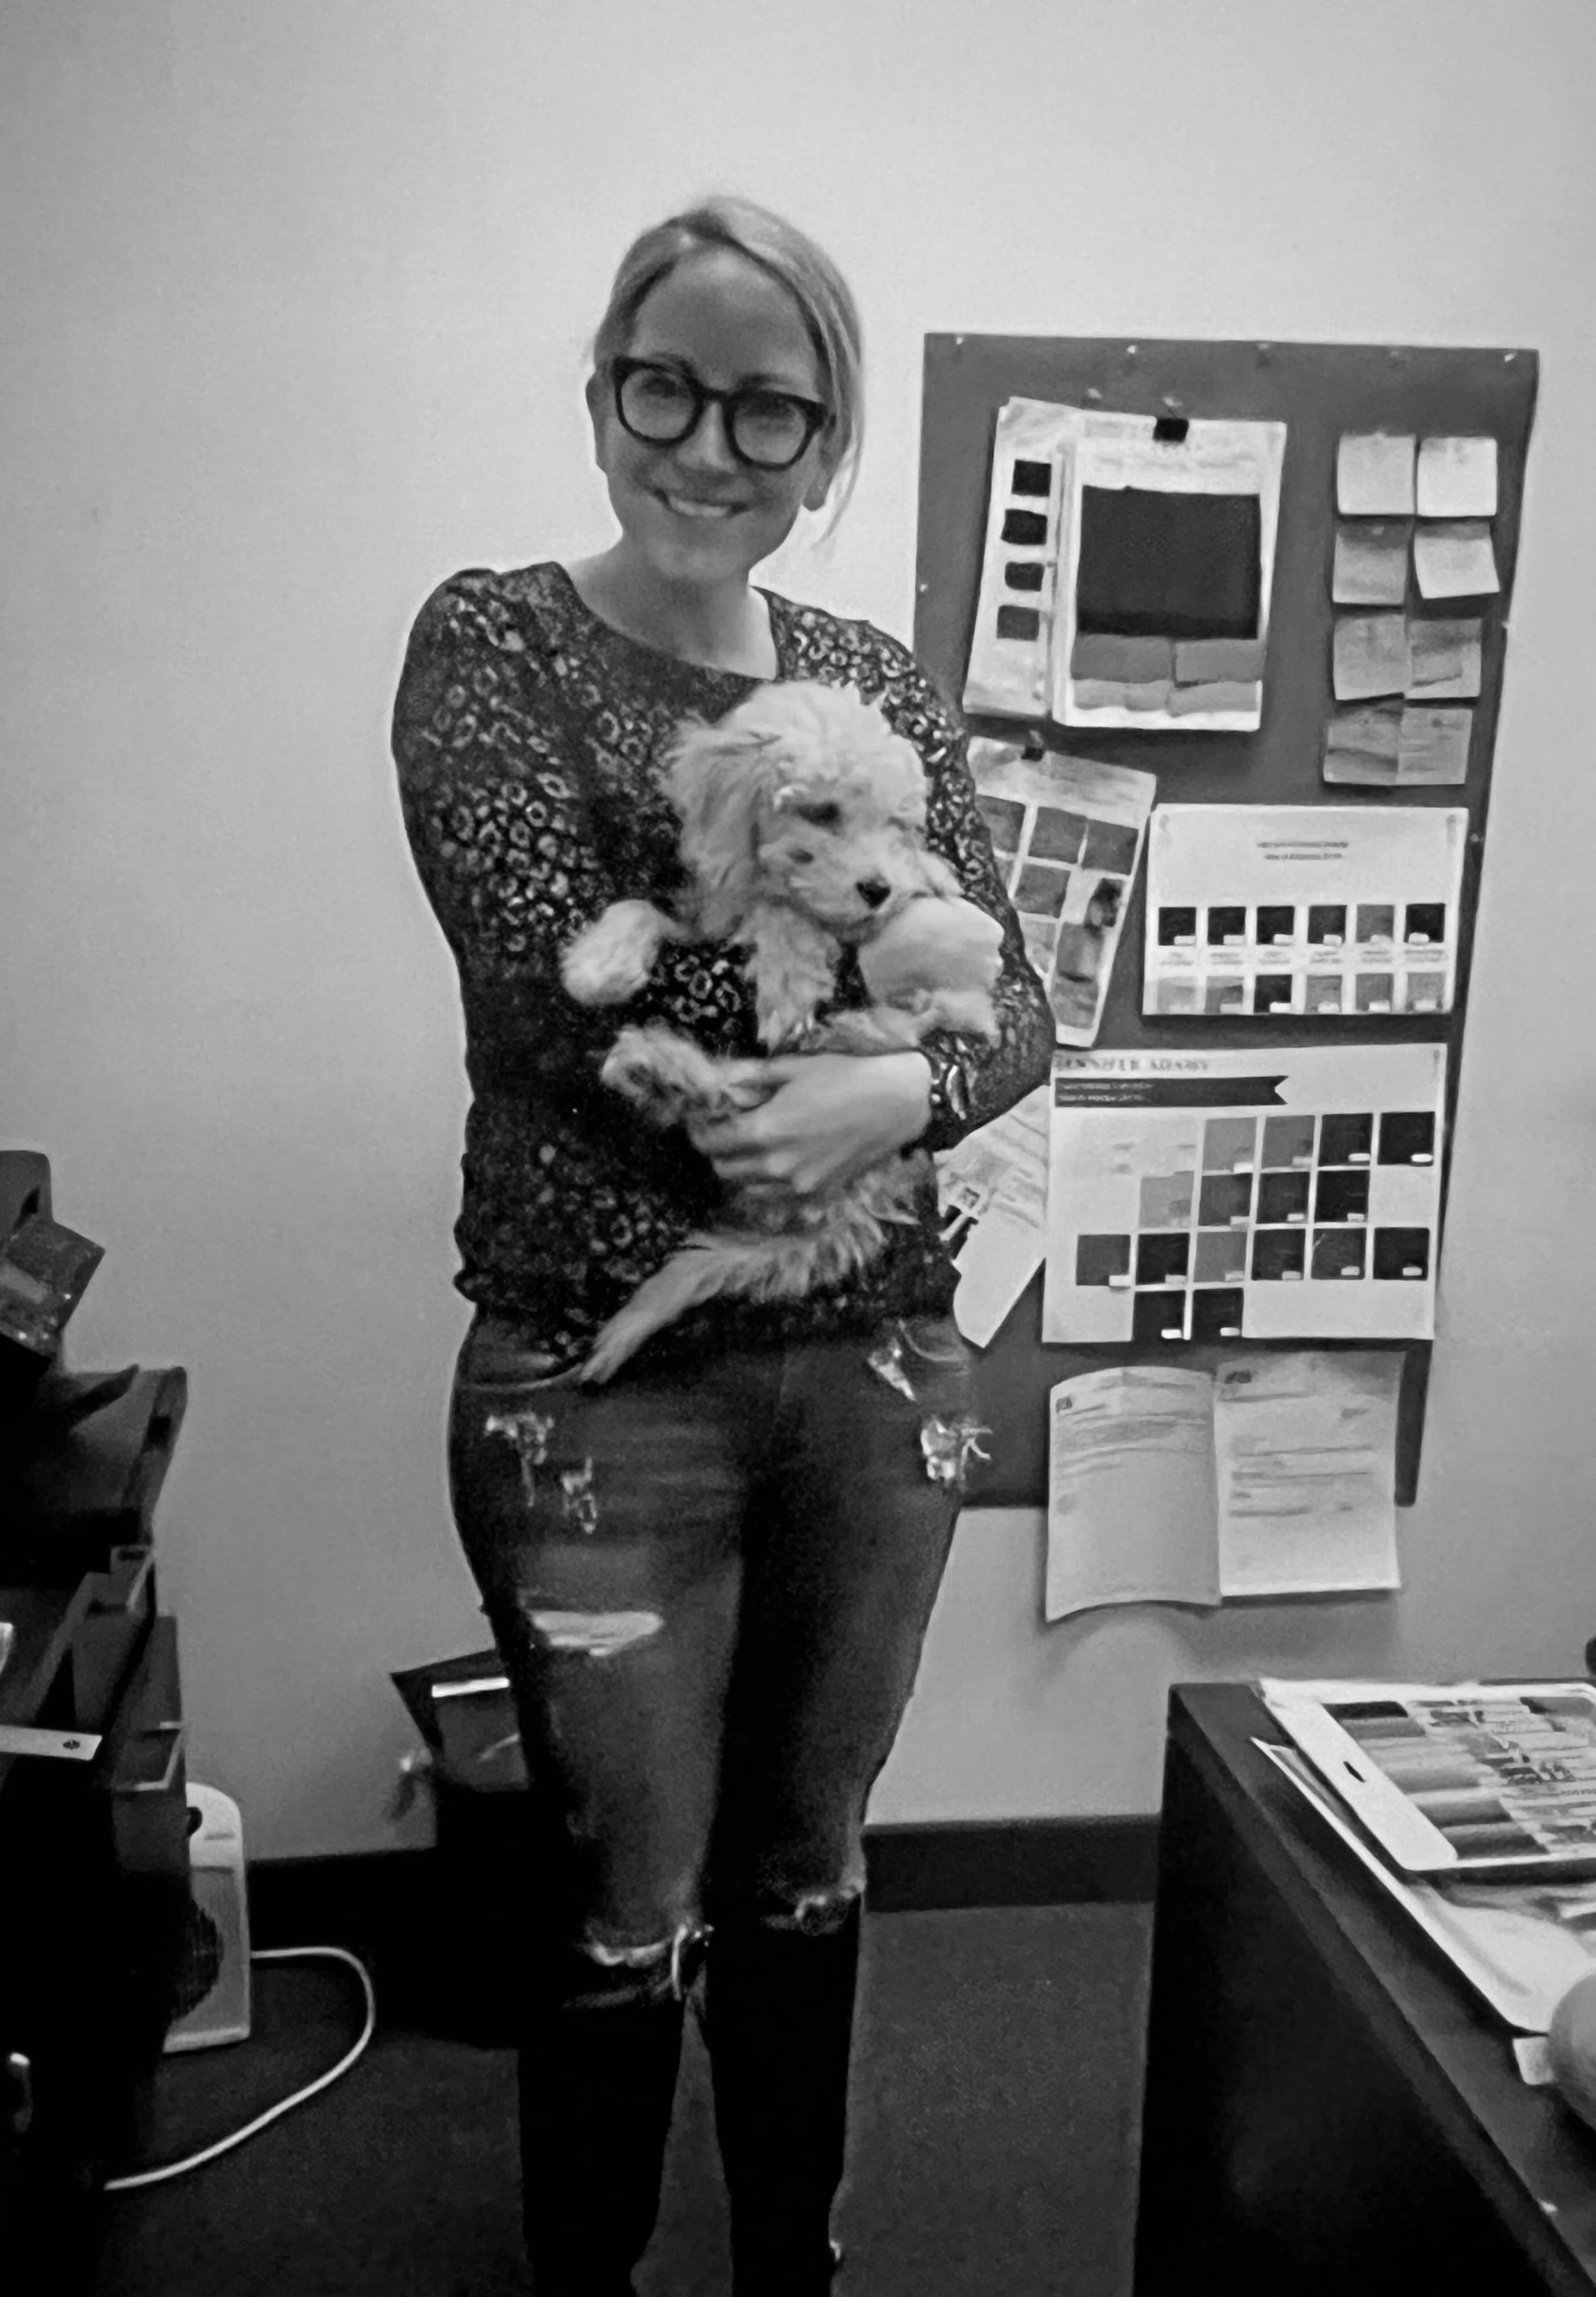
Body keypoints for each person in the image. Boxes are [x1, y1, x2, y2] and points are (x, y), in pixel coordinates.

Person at [391, 194, 1054, 2297]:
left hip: (874, 1376)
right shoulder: (492, 638)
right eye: (665, 386)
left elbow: (1019, 999)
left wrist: (898, 1093)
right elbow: (540, 979)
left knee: (806, 1865)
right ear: (601, 391)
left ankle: (794, 2263)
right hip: (606, 1390)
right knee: (619, 1892)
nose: (710, 445)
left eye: (770, 408)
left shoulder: (868, 680)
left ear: (822, 438)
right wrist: (830, 1050)